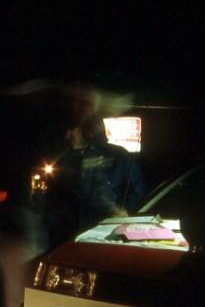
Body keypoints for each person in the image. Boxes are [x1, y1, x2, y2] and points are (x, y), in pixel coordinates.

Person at [43, 101, 147, 247]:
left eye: (72, 129)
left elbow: (137, 190)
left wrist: (124, 213)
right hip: (68, 236)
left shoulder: (119, 156)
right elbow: (53, 197)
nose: (67, 135)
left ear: (85, 128)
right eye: (64, 130)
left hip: (104, 234)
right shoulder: (63, 159)